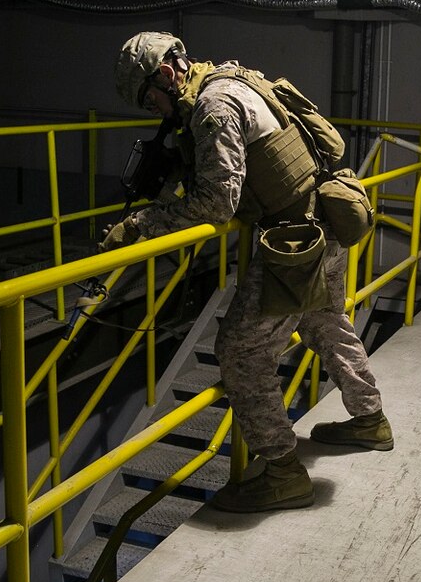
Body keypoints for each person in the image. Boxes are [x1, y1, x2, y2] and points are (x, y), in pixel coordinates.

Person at [101, 31, 393, 512]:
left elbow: (218, 204)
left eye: (149, 99)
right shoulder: (233, 78)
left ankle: (282, 471)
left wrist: (142, 224)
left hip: (294, 238)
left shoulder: (213, 108)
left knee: (240, 351)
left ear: (167, 74)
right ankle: (369, 419)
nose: (153, 110)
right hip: (325, 217)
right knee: (325, 323)